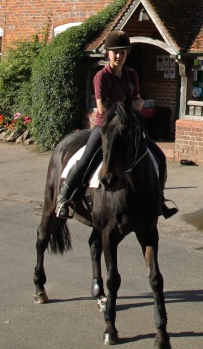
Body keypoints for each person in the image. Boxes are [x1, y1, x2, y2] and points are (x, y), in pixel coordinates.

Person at [56, 30, 178, 219]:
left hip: (129, 127)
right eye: (115, 52)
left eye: (123, 52)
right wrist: (124, 110)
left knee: (158, 156)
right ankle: (65, 196)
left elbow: (137, 98)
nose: (119, 56)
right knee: (87, 158)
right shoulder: (101, 77)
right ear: (108, 53)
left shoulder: (132, 75)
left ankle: (159, 199)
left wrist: (139, 102)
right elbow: (102, 108)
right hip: (106, 127)